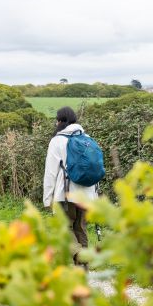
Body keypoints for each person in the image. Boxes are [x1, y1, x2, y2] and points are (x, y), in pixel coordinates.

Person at [43, 106, 98, 265]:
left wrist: (47, 199)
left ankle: (80, 254)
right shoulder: (87, 138)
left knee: (64, 228)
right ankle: (83, 270)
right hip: (87, 193)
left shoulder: (57, 141)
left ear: (60, 121)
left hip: (65, 193)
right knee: (81, 229)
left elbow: (51, 172)